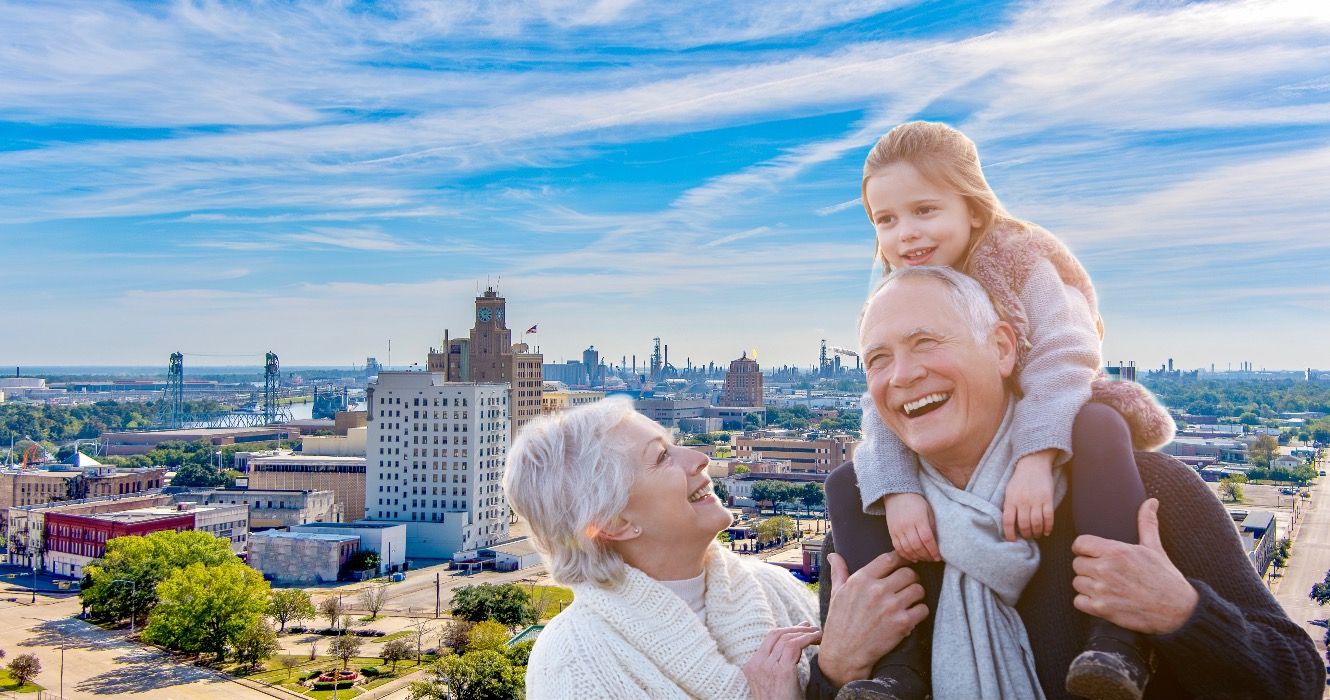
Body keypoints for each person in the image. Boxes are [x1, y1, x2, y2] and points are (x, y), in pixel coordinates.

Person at [809, 266, 1322, 699]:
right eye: (878, 358)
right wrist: (833, 669)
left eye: (926, 342)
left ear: (1003, 348)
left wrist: (1181, 613)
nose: (901, 374)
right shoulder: (869, 535)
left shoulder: (1147, 496)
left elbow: (1297, 678)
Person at [845, 121, 1175, 699]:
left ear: (972, 208)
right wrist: (897, 490)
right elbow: (886, 400)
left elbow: (1065, 352)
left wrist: (1035, 457)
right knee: (849, 485)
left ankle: (1119, 638)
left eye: (925, 210)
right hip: (975, 448)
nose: (906, 235)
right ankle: (895, 667)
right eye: (886, 220)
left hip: (1058, 406)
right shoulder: (901, 288)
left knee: (1098, 426)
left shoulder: (1020, 258)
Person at [506, 398, 927, 699]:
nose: (698, 458)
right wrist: (836, 669)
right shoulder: (574, 664)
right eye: (660, 458)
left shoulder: (771, 586)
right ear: (614, 523)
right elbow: (835, 672)